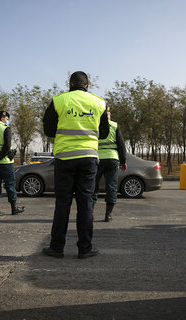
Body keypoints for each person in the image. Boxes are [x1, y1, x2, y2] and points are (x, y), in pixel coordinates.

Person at [42, 71, 109, 259]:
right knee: (86, 202)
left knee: (63, 202)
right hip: (88, 157)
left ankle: (56, 248)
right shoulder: (99, 102)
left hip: (64, 158)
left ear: (70, 84)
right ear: (88, 85)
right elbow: (103, 132)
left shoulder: (59, 100)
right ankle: (85, 248)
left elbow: (48, 129)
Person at [92, 107, 127, 222]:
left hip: (97, 159)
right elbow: (121, 144)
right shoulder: (115, 125)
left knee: (93, 186)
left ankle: (89, 213)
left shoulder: (95, 125)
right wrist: (123, 161)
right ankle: (108, 215)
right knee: (111, 186)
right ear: (109, 115)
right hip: (112, 159)